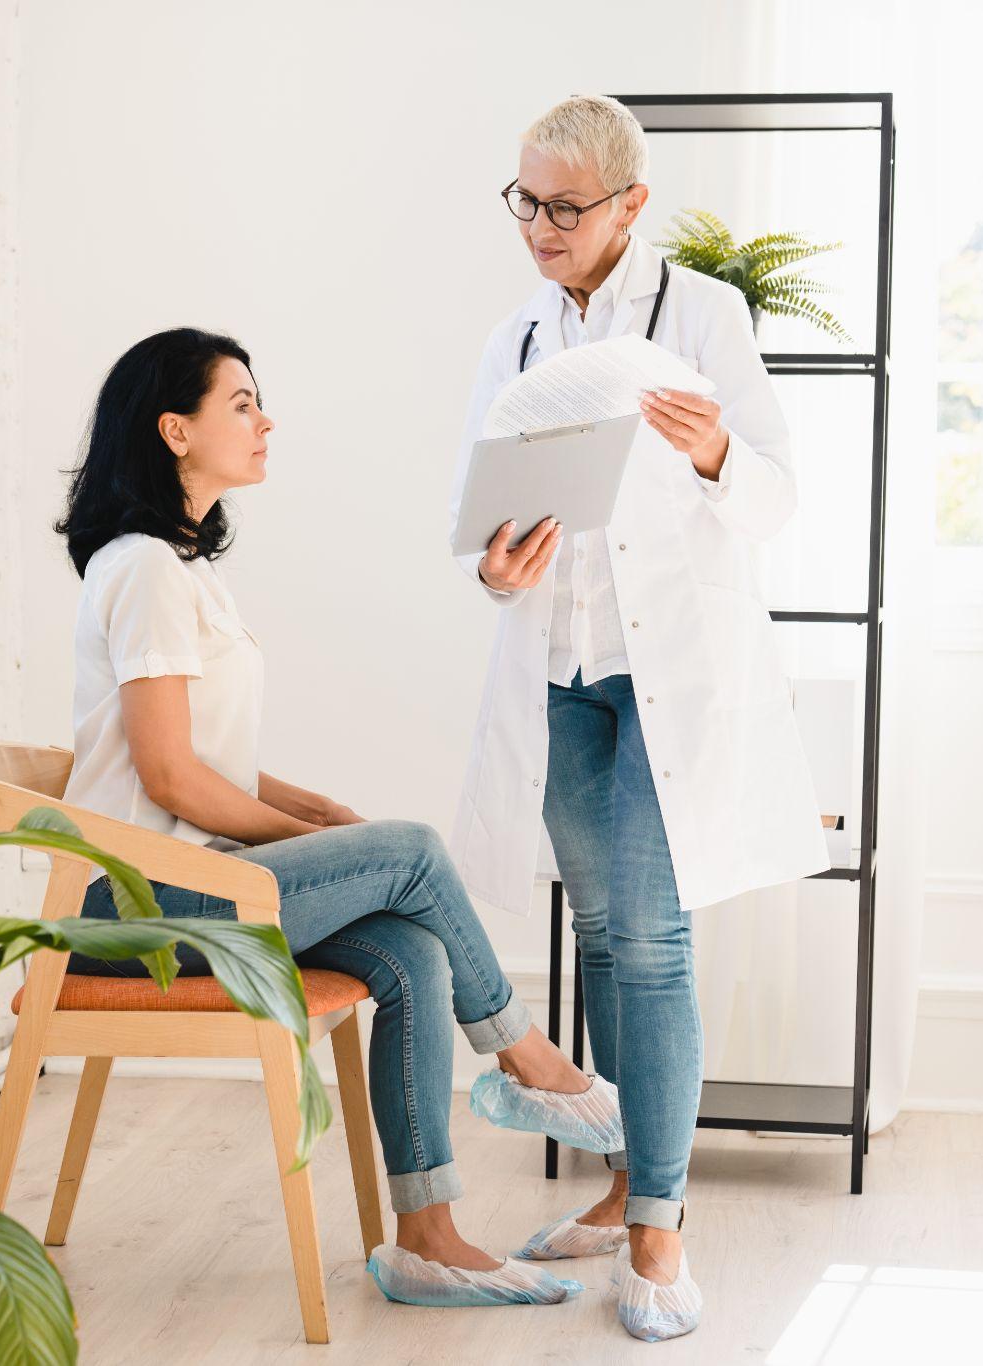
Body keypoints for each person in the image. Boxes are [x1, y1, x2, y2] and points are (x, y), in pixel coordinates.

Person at [55, 326, 627, 1309]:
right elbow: (170, 777)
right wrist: (308, 836)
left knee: (410, 946)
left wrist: (308, 808)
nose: (263, 419)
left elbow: (198, 759)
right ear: (173, 430)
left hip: (196, 882)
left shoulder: (183, 569)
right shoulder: (143, 566)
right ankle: (527, 1059)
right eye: (239, 402)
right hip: (134, 908)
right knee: (408, 850)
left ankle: (428, 1240)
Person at [447, 94, 833, 1343]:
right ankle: (620, 1186)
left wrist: (718, 447)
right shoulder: (514, 337)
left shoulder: (702, 316)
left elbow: (774, 499)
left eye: (564, 206)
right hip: (554, 677)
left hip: (664, 680)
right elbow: (483, 514)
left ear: (629, 204)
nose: (539, 227)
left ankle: (661, 1223)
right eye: (524, 201)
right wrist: (493, 571)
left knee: (654, 944)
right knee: (603, 939)